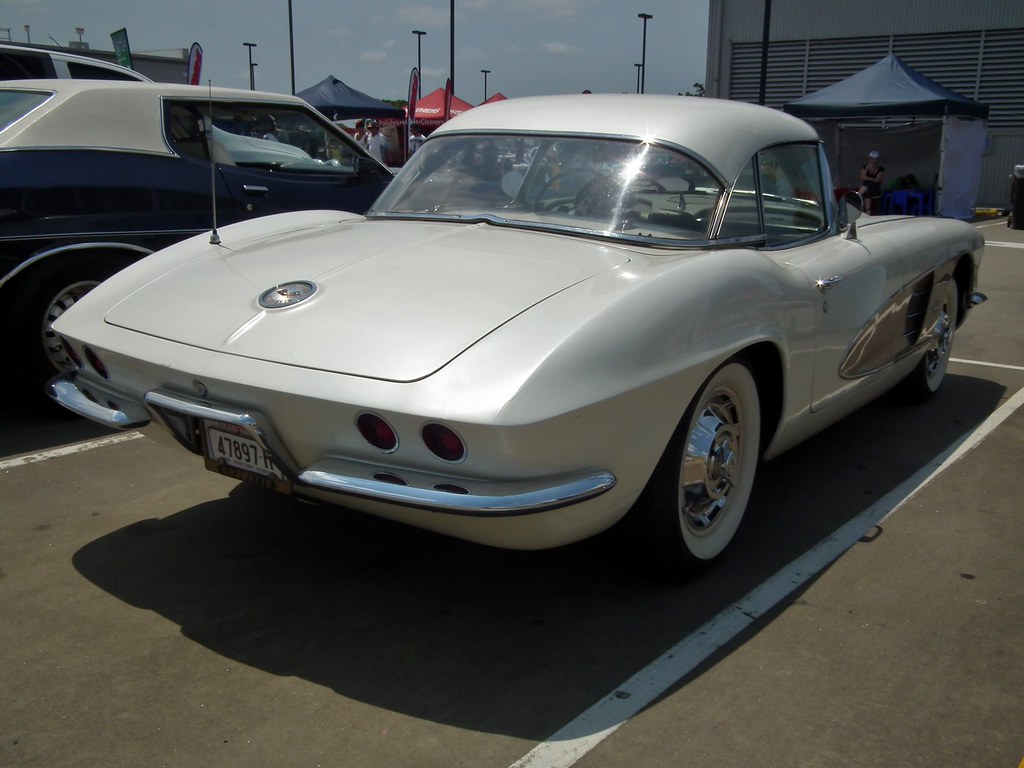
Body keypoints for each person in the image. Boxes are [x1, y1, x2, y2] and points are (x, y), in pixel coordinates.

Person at [858, 150, 885, 214]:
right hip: (867, 189)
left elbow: (877, 180)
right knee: (867, 190)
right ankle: (868, 211)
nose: (873, 160)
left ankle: (858, 195)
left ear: (877, 160)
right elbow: (862, 178)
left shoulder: (880, 169)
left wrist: (868, 178)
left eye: (874, 159)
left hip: (875, 189)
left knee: (868, 184)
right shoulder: (865, 167)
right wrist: (868, 172)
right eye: (871, 158)